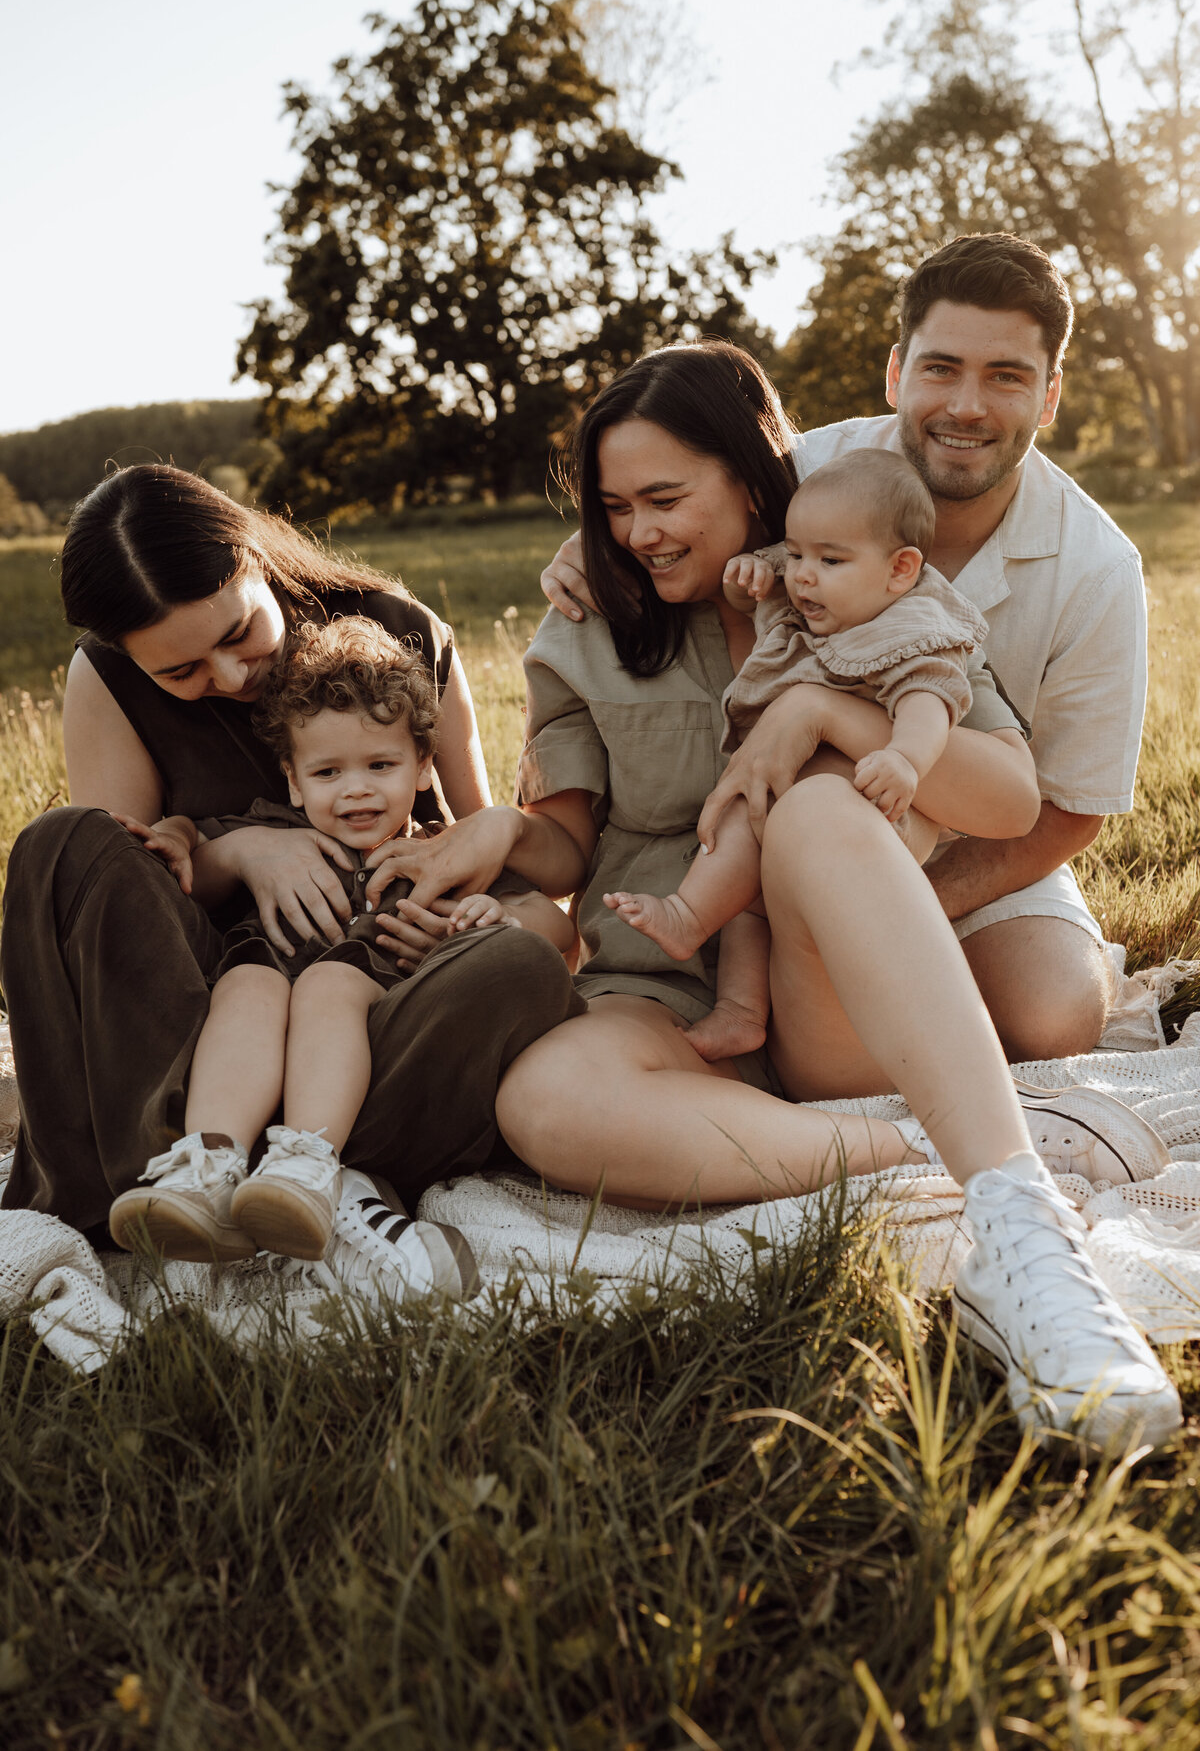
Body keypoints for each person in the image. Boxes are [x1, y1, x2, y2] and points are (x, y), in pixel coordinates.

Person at [375, 340, 1179, 1453]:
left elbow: (1008, 796)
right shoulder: (583, 629)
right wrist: (500, 831)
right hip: (659, 990)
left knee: (809, 812)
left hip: (823, 994)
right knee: (546, 1104)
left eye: (665, 498)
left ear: (755, 479)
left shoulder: (866, 588)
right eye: (614, 508)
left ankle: (1021, 1223)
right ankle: (932, 1152)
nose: (639, 532)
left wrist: (830, 718)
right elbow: (567, 841)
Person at [542, 235, 1142, 1066]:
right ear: (897, 374)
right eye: (940, 368)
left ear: (1049, 399)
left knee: (1050, 1019)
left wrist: (888, 909)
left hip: (983, 844)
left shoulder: (1097, 567)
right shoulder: (810, 469)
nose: (966, 405)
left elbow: (1070, 809)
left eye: (1006, 375)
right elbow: (677, 495)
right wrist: (589, 547)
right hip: (813, 823)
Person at [0, 464, 583, 1302]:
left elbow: (497, 856)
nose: (233, 679)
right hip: (205, 1027)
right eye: (184, 672)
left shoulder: (399, 637)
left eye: (239, 634)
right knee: (61, 842)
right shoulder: (109, 677)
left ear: (254, 558)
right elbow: (131, 894)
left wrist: (460, 925)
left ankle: (312, 1171)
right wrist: (240, 852)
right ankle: (185, 1166)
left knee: (514, 963)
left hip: (375, 1024)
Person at [108, 615, 575, 1265]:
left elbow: (555, 922)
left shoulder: (441, 852)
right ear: (294, 781)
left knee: (328, 982)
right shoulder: (272, 830)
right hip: (265, 1007)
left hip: (373, 1036)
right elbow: (197, 848)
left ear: (421, 767)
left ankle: (306, 1165)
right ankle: (207, 1167)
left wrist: (483, 917)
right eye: (327, 773)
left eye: (380, 764)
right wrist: (181, 838)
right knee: (247, 982)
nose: (355, 787)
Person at [603, 447, 996, 1061]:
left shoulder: (913, 628)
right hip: (783, 798)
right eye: (795, 555)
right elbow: (762, 610)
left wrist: (906, 761)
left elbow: (931, 703)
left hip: (856, 806)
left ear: (901, 569)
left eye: (829, 560)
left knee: (746, 852)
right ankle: (740, 1011)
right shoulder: (814, 599)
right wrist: (752, 583)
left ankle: (687, 913)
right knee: (747, 883)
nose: (804, 575)